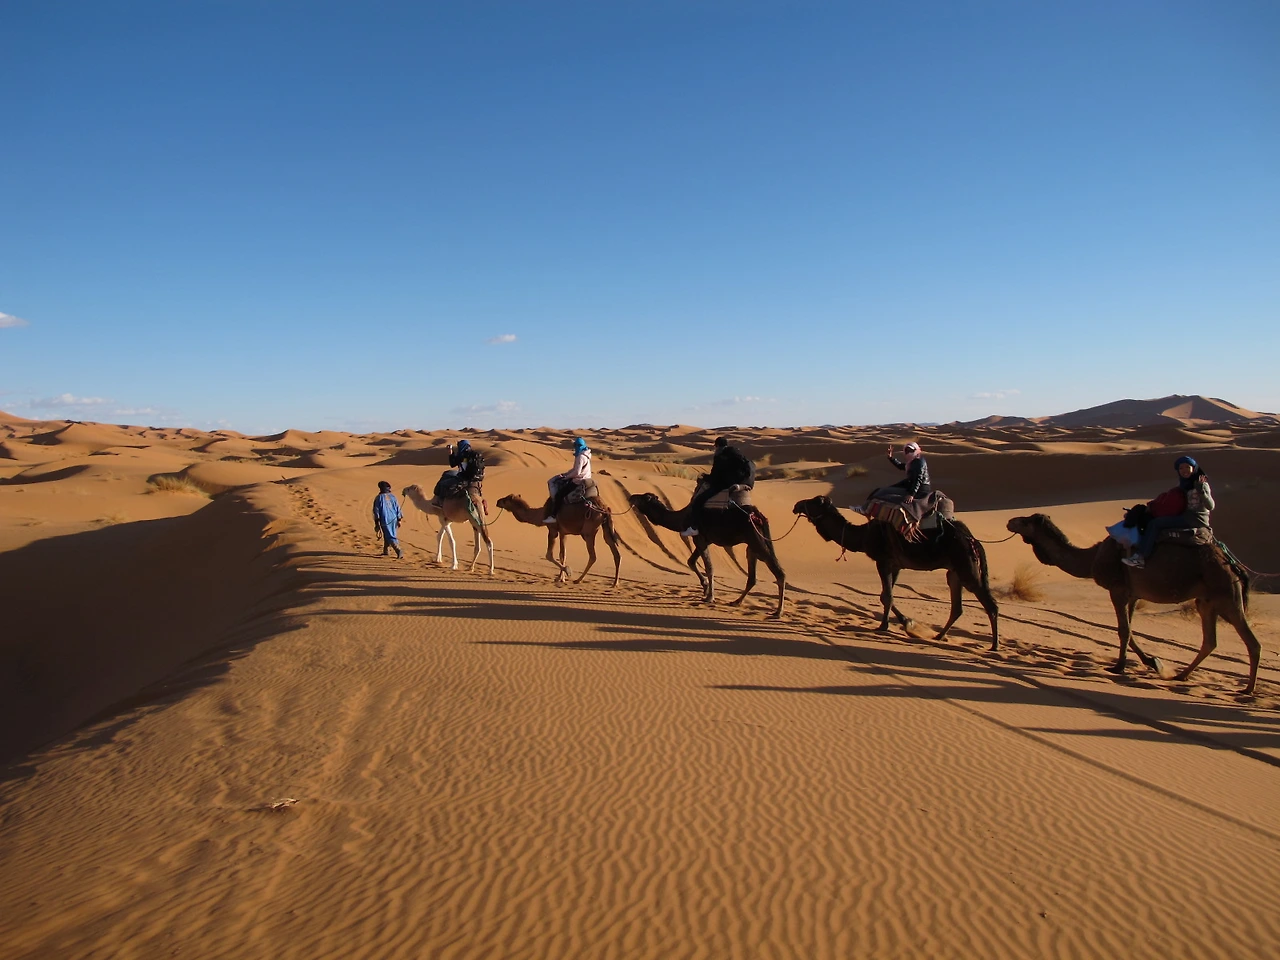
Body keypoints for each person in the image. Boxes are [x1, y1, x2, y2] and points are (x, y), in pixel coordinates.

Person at [1123, 456, 1214, 568]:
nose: (1184, 470)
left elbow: (1210, 506)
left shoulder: (1201, 484)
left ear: (1194, 468)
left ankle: (1141, 557)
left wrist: (1202, 491)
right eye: (1181, 468)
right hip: (1185, 516)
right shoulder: (1184, 484)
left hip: (1194, 519)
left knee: (1155, 524)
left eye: (1187, 467)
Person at [682, 436, 755, 536]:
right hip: (740, 482)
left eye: (715, 447)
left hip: (725, 484)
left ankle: (694, 528)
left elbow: (715, 477)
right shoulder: (736, 454)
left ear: (717, 446)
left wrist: (704, 477)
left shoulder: (720, 456)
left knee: (698, 501)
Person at [546, 437, 592, 523]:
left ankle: (554, 516)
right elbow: (576, 470)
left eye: (576, 446)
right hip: (586, 478)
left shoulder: (581, 457)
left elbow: (577, 472)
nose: (575, 448)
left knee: (559, 495)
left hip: (579, 480)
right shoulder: (586, 455)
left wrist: (566, 477)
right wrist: (566, 474)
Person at [372, 480, 404, 559]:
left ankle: (398, 549)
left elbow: (376, 510)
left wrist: (377, 521)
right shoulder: (392, 496)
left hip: (385, 518)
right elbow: (397, 508)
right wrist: (399, 519)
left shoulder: (379, 498)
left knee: (389, 535)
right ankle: (385, 551)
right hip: (394, 518)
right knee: (389, 533)